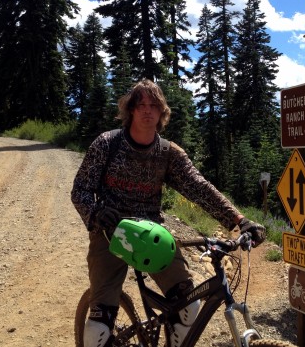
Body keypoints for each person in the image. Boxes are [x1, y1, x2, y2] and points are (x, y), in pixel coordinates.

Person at [71, 79, 266, 347]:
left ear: (162, 112)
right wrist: (94, 214)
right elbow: (80, 188)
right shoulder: (107, 144)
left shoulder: (168, 153)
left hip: (153, 236)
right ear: (130, 110)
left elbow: (199, 188)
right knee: (100, 323)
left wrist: (239, 220)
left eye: (154, 105)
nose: (147, 111)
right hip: (110, 235)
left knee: (188, 307)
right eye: (141, 105)